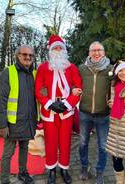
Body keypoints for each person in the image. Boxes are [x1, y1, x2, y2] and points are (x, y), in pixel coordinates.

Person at [35, 35, 82, 184]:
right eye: (55, 47)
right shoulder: (43, 67)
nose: (58, 50)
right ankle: (51, 170)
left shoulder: (72, 67)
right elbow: (39, 90)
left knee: (65, 141)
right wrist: (50, 103)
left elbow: (78, 87)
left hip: (66, 112)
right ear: (50, 50)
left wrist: (67, 104)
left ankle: (64, 169)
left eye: (60, 47)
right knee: (50, 142)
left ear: (64, 50)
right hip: (49, 112)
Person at [0, 45, 37, 184]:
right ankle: (4, 180)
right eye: (24, 54)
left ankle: (23, 173)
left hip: (28, 121)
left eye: (30, 55)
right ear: (17, 55)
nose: (28, 57)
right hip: (12, 123)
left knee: (24, 148)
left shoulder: (34, 74)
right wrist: (1, 124)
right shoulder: (8, 72)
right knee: (8, 153)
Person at [76, 41, 112, 184]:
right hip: (84, 113)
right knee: (83, 142)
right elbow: (75, 84)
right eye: (93, 50)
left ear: (103, 52)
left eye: (99, 50)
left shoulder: (111, 69)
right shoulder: (82, 68)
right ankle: (85, 167)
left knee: (103, 145)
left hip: (103, 114)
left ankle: (100, 172)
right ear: (89, 53)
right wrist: (74, 90)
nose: (96, 53)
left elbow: (118, 87)